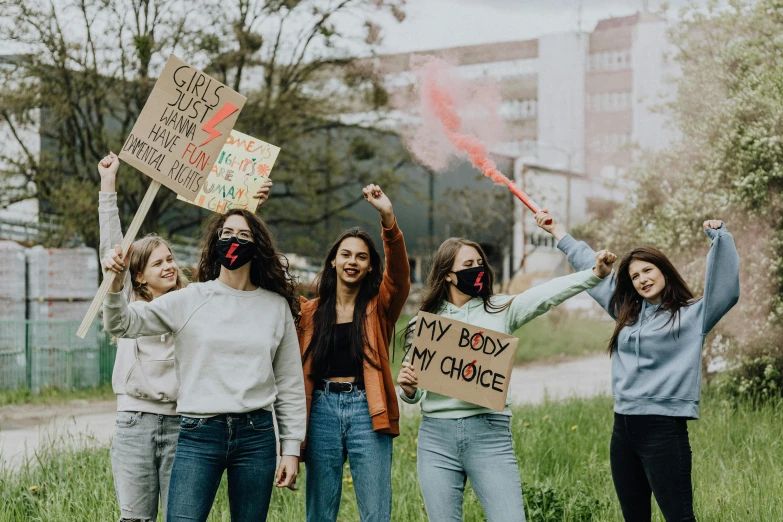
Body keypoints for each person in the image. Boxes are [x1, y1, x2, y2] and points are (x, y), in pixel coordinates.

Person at [102, 202, 303, 522]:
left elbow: (290, 383)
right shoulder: (190, 299)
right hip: (199, 432)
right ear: (215, 242)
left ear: (257, 246)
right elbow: (121, 324)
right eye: (226, 233)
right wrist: (114, 284)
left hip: (256, 435)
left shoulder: (275, 307)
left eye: (243, 234)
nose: (233, 240)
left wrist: (290, 448)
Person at [535, 210, 740, 522]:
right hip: (624, 428)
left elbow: (725, 290)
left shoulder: (693, 315)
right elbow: (594, 270)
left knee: (679, 517)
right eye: (634, 276)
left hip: (663, 429)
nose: (642, 279)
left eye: (648, 270)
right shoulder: (626, 312)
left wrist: (720, 238)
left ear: (664, 271)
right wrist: (557, 230)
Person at [397, 236, 616, 522]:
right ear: (449, 274)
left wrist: (594, 274)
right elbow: (416, 392)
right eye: (468, 264)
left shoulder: (500, 308)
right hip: (436, 439)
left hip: (489, 434)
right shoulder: (425, 324)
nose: (477, 269)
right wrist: (409, 389)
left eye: (480, 264)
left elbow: (547, 294)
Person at [298, 184, 410, 522]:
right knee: (320, 511)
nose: (353, 261)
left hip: (367, 408)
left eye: (361, 257)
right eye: (346, 254)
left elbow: (401, 276)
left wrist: (387, 218)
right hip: (321, 411)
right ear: (333, 260)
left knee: (375, 511)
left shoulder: (381, 308)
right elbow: (268, 278)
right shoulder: (308, 313)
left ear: (370, 267)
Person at [98, 152, 188, 522]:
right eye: (158, 262)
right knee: (136, 519)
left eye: (170, 258)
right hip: (134, 422)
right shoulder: (129, 308)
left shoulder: (191, 303)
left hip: (184, 425)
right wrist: (108, 184)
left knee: (182, 517)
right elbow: (115, 249)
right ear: (139, 277)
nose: (168, 266)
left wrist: (250, 206)